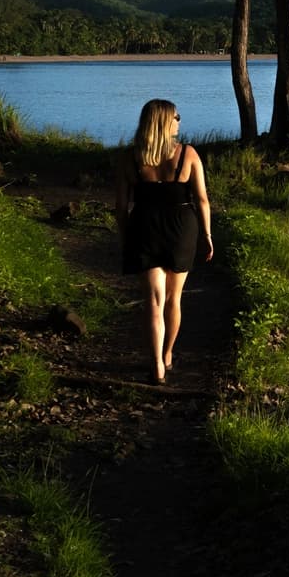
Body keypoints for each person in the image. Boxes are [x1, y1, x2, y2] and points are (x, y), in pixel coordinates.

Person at [116, 99, 212, 383]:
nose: (180, 120)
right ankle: (168, 354)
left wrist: (125, 237)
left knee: (154, 300)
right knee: (174, 298)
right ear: (165, 121)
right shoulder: (189, 155)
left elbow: (121, 207)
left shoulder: (130, 158)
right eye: (176, 116)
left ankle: (156, 362)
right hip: (181, 229)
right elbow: (202, 199)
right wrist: (207, 235)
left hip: (144, 227)